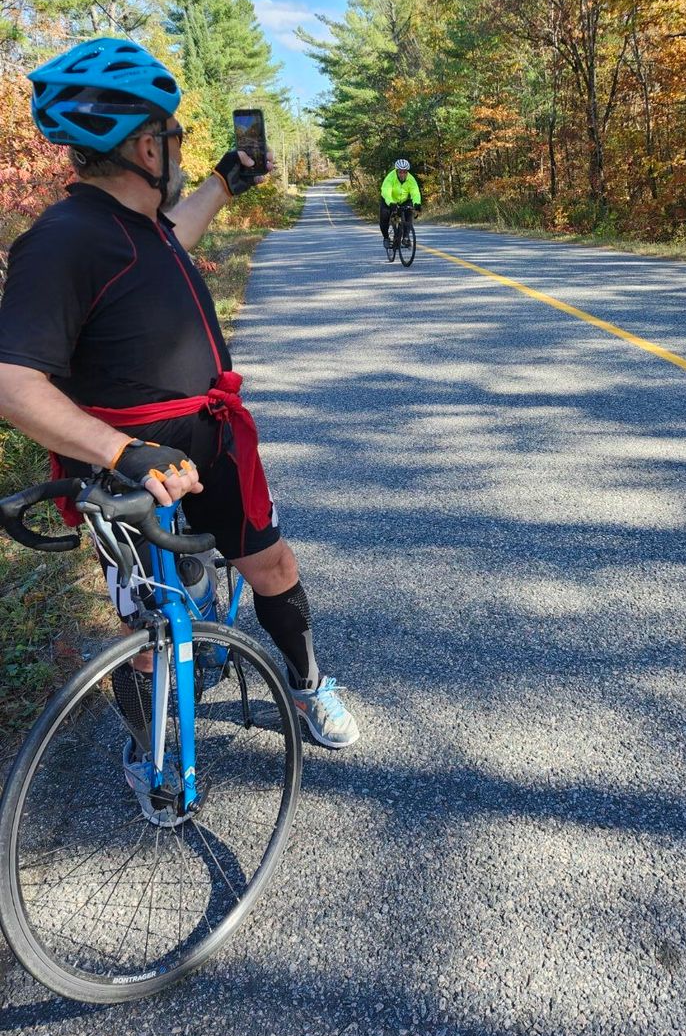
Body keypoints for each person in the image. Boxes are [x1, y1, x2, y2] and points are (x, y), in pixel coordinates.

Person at [0, 37, 359, 770]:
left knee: (272, 566)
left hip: (209, 440)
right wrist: (122, 452)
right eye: (175, 135)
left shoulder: (133, 224)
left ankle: (305, 685)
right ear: (144, 148)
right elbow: (12, 382)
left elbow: (173, 236)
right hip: (130, 468)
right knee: (150, 627)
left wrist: (227, 180)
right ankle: (149, 754)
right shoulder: (62, 241)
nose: (181, 148)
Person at [380, 158, 421, 251]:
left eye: (405, 172)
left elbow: (415, 193)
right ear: (396, 171)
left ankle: (405, 238)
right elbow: (386, 192)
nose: (402, 174)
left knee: (409, 214)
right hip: (389, 200)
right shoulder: (390, 178)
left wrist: (417, 204)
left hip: (404, 200)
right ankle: (386, 238)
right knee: (384, 216)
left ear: (407, 172)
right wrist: (391, 203)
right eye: (400, 172)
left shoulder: (411, 179)